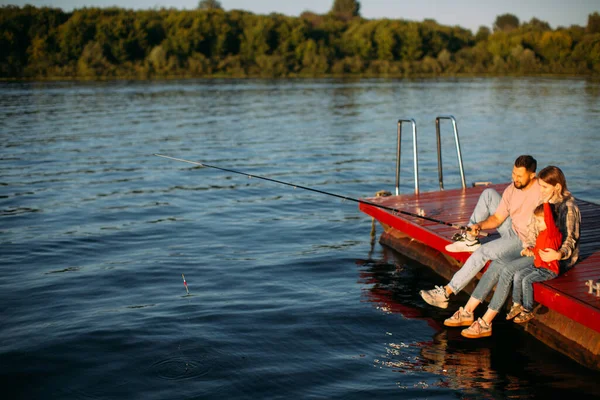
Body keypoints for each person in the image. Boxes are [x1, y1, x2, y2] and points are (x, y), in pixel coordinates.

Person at [446, 166, 581, 338]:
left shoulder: (568, 207)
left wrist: (559, 254)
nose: (541, 190)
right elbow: (535, 229)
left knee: (508, 269)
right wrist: (529, 247)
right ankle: (467, 311)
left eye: (545, 187)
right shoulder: (545, 201)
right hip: (537, 251)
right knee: (498, 263)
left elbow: (571, 239)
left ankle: (486, 322)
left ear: (557, 187)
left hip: (556, 259)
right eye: (541, 186)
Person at [420, 155, 541, 309]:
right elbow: (497, 218)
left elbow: (563, 200)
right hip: (514, 229)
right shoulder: (512, 189)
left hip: (526, 240)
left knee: (483, 252)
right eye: (513, 174)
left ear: (532, 175)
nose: (514, 178)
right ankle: (470, 238)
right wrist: (479, 225)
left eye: (519, 176)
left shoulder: (541, 189)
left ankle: (445, 293)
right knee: (488, 194)